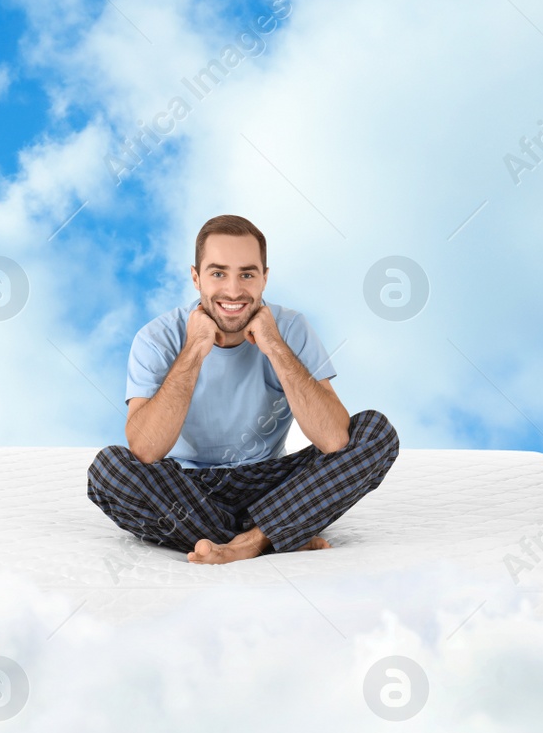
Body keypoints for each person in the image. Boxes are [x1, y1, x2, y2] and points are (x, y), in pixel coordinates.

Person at [87, 214, 399, 564]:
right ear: (196, 278)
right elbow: (144, 450)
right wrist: (193, 350)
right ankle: (279, 532)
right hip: (185, 487)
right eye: (218, 273)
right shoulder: (157, 338)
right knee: (109, 470)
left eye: (247, 275)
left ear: (264, 278)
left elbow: (334, 441)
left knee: (376, 431)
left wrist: (273, 345)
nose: (233, 291)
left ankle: (249, 540)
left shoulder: (291, 328)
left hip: (271, 481)